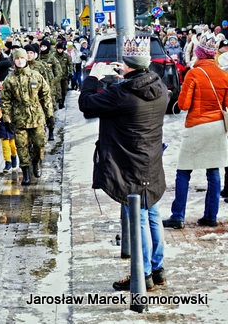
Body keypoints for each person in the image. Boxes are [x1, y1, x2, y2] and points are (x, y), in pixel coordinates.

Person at [78, 37, 168, 292]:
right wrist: (126, 76)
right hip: (151, 162)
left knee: (138, 217)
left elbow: (86, 104)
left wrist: (94, 77)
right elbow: (134, 93)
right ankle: (158, 270)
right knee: (152, 215)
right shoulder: (158, 86)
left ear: (127, 64)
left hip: (129, 165)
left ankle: (143, 275)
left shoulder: (120, 94)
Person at [162, 35, 228, 228]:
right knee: (214, 172)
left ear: (198, 55)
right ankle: (210, 216)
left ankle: (178, 216)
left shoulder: (193, 74)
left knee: (183, 172)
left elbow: (183, 104)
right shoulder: (224, 76)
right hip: (217, 127)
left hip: (196, 126)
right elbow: (226, 104)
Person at [0, 48, 54, 185]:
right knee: (21, 146)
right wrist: (6, 118)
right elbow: (5, 100)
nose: (19, 61)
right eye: (17, 59)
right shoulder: (10, 79)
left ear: (26, 59)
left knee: (40, 144)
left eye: (22, 58)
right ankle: (25, 173)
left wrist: (49, 115)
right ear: (14, 60)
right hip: (19, 118)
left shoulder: (36, 76)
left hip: (36, 116)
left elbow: (45, 96)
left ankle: (36, 162)